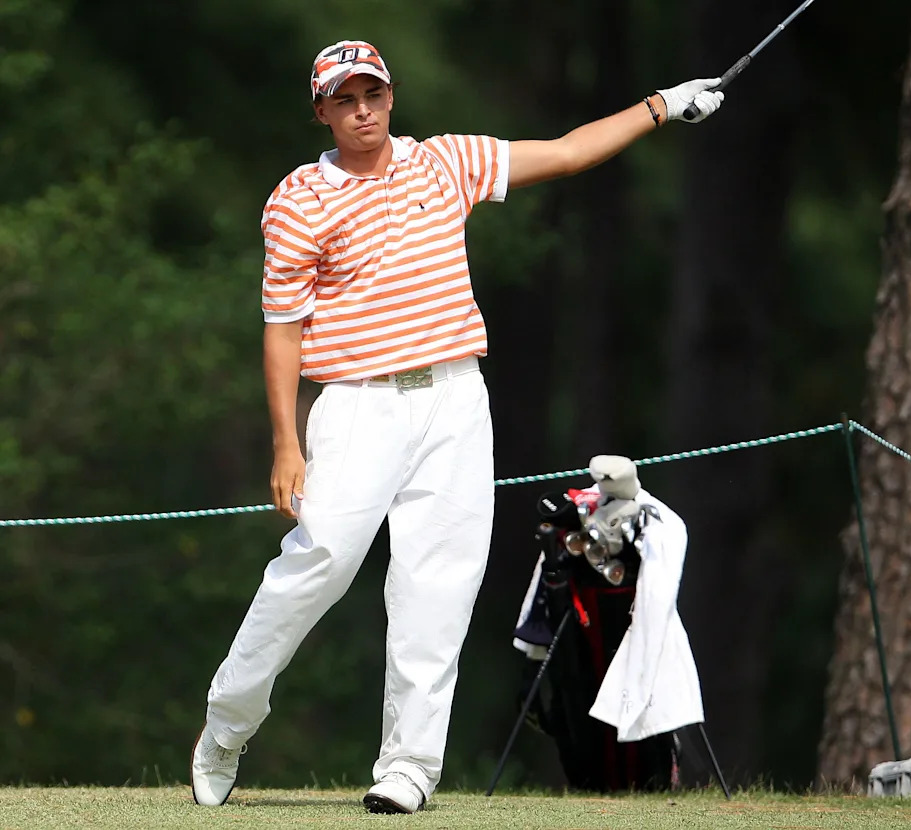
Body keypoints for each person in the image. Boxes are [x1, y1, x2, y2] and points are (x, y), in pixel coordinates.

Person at [189, 39, 724, 814]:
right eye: (345, 98)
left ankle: (407, 765)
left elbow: (570, 154)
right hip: (357, 402)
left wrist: (662, 105)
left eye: (372, 92)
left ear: (391, 96)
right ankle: (227, 725)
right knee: (322, 560)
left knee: (437, 583)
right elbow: (283, 330)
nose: (362, 108)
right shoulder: (299, 197)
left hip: (454, 398)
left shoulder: (446, 162)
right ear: (322, 111)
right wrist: (285, 440)